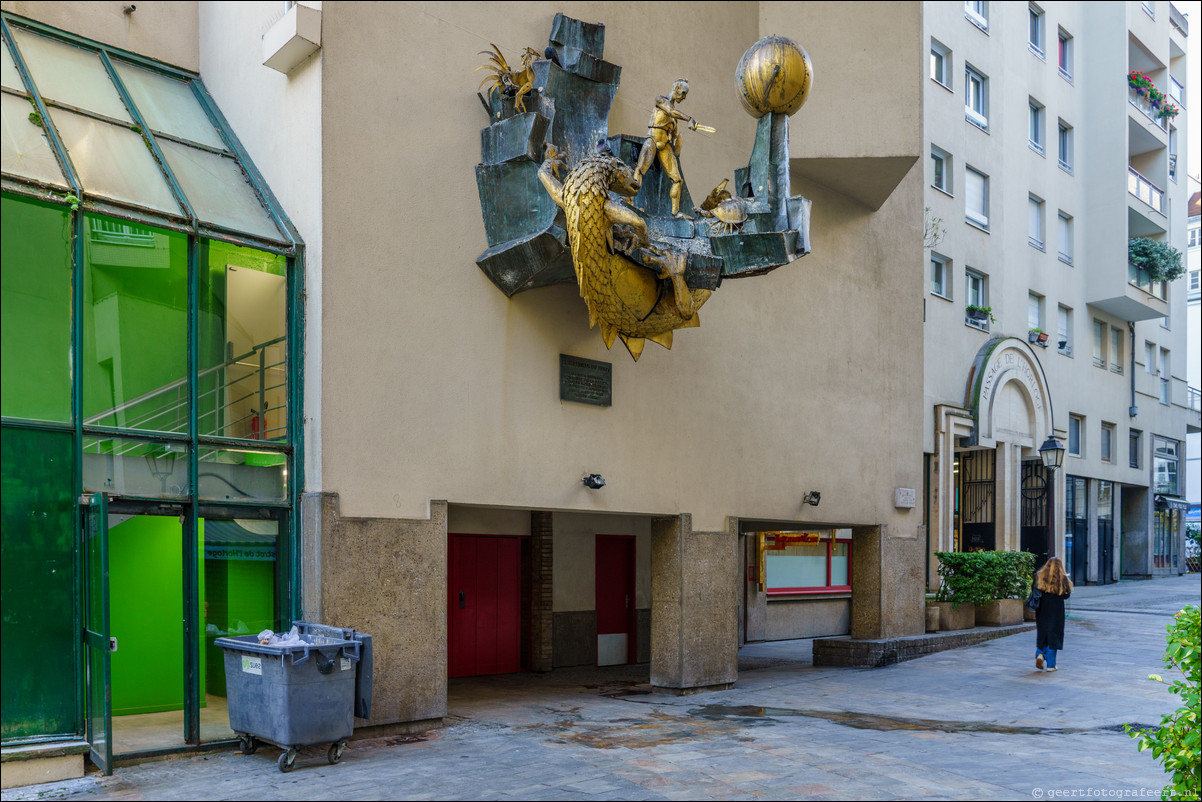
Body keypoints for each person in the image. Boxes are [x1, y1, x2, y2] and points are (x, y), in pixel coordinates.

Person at [636, 79, 709, 218]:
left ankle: (675, 213)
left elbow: (675, 141)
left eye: (685, 94)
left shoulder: (674, 120)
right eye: (683, 93)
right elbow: (671, 111)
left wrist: (679, 143)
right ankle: (630, 201)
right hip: (652, 139)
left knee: (677, 179)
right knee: (640, 169)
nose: (684, 97)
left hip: (665, 146)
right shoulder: (660, 100)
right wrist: (689, 119)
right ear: (675, 88)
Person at [1033, 556, 1072, 672]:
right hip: (1057, 611)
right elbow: (1066, 595)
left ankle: (1040, 654)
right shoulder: (1063, 578)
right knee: (1054, 636)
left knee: (1043, 633)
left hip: (1042, 610)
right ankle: (1051, 665)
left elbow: (1034, 591)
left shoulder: (1039, 576)